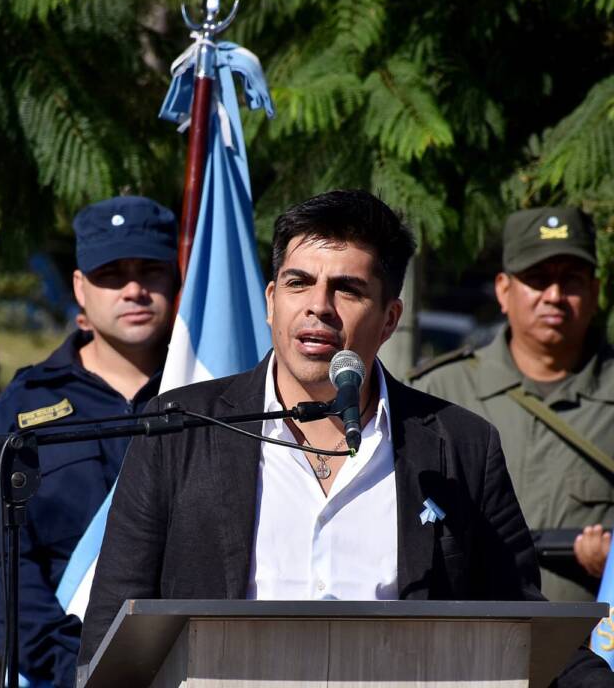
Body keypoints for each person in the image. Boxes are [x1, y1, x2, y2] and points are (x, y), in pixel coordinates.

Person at [77, 190, 611, 685]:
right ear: (270, 300)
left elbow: (523, 625)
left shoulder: (461, 445)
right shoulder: (180, 427)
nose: (318, 306)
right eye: (298, 283)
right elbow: (113, 629)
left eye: (347, 289)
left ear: (389, 318)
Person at [0, 195, 178, 688]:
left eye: (150, 270)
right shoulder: (23, 406)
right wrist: (72, 668)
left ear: (176, 277)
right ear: (80, 287)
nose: (134, 289)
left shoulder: (217, 392)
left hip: (194, 663)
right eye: (112, 274)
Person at [409, 206, 614, 602]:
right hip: (466, 634)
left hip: (591, 637)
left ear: (594, 292)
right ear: (504, 290)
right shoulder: (440, 392)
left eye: (571, 281)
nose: (554, 296)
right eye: (537, 280)